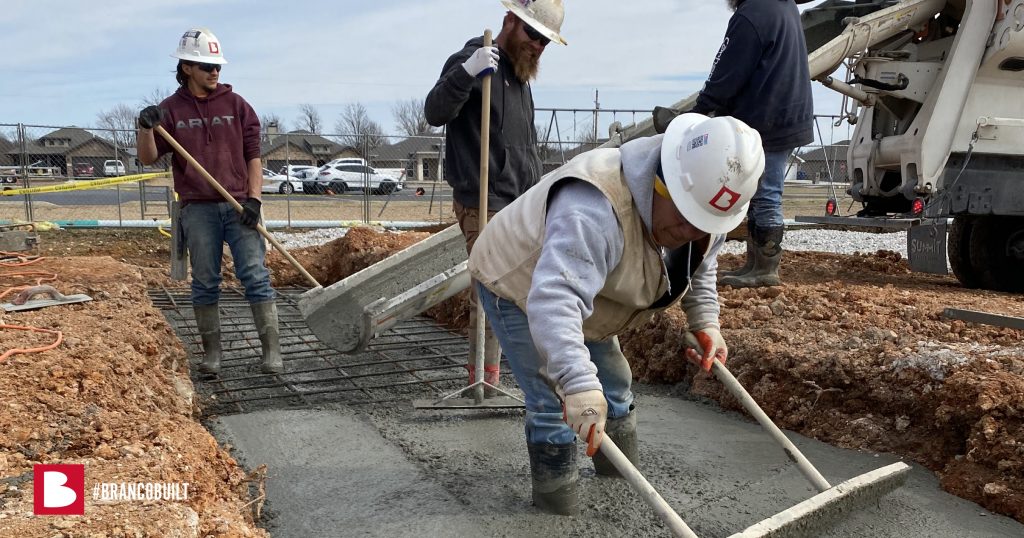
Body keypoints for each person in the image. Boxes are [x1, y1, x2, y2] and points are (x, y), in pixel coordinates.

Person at [468, 113, 765, 515]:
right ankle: (558, 506)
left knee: (615, 384)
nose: (692, 233)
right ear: (662, 181)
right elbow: (555, 299)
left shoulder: (704, 204)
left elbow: (700, 262)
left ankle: (619, 479)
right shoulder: (593, 207)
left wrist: (706, 322)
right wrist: (574, 383)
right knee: (556, 403)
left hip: (590, 291)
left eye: (704, 225)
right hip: (521, 282)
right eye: (683, 220)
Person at [425, 0, 566, 394]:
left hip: (520, 204)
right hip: (482, 202)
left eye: (545, 41)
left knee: (527, 290)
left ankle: (503, 377)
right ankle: (483, 383)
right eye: (532, 34)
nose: (537, 45)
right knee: (491, 292)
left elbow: (525, 147)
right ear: (509, 21)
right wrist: (467, 74)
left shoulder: (520, 76)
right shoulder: (473, 59)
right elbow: (435, 111)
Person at [136, 27, 282, 375]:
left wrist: (255, 200)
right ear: (187, 68)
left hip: (239, 206)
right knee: (204, 281)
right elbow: (147, 158)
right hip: (197, 209)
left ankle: (272, 353)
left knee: (255, 275)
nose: (214, 72)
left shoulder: (237, 106)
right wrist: (144, 128)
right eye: (205, 66)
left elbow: (254, 158)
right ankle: (213, 356)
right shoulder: (169, 111)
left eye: (217, 66)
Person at [691, 0, 815, 288]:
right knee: (760, 193)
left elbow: (727, 71)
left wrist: (699, 112)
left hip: (768, 116)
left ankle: (766, 269)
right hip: (785, 112)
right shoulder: (783, 7)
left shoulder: (752, 14)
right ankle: (756, 265)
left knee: (766, 194)